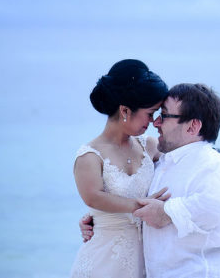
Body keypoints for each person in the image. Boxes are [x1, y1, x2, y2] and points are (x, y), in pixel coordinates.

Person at [81, 83, 220, 278]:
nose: (156, 123)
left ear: (192, 127)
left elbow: (219, 206)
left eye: (164, 115)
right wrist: (103, 219)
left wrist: (167, 213)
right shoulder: (165, 161)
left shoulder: (209, 163)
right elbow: (143, 202)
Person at [70, 59, 170, 278]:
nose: (153, 121)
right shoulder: (90, 156)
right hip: (103, 262)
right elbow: (93, 198)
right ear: (125, 110)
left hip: (148, 261)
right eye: (150, 113)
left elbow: (183, 165)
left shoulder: (149, 146)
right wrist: (143, 207)